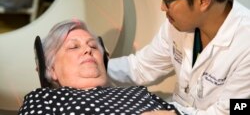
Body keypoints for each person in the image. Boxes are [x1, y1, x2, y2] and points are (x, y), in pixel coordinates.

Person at [107, 0, 250, 115]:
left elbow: (231, 110)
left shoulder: (245, 44)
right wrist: (97, 65)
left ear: (202, 0)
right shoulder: (179, 24)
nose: (163, 7)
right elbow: (141, 67)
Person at [18, 20, 181, 115]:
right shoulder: (43, 99)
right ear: (51, 69)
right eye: (74, 47)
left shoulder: (137, 92)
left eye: (94, 47)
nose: (88, 50)